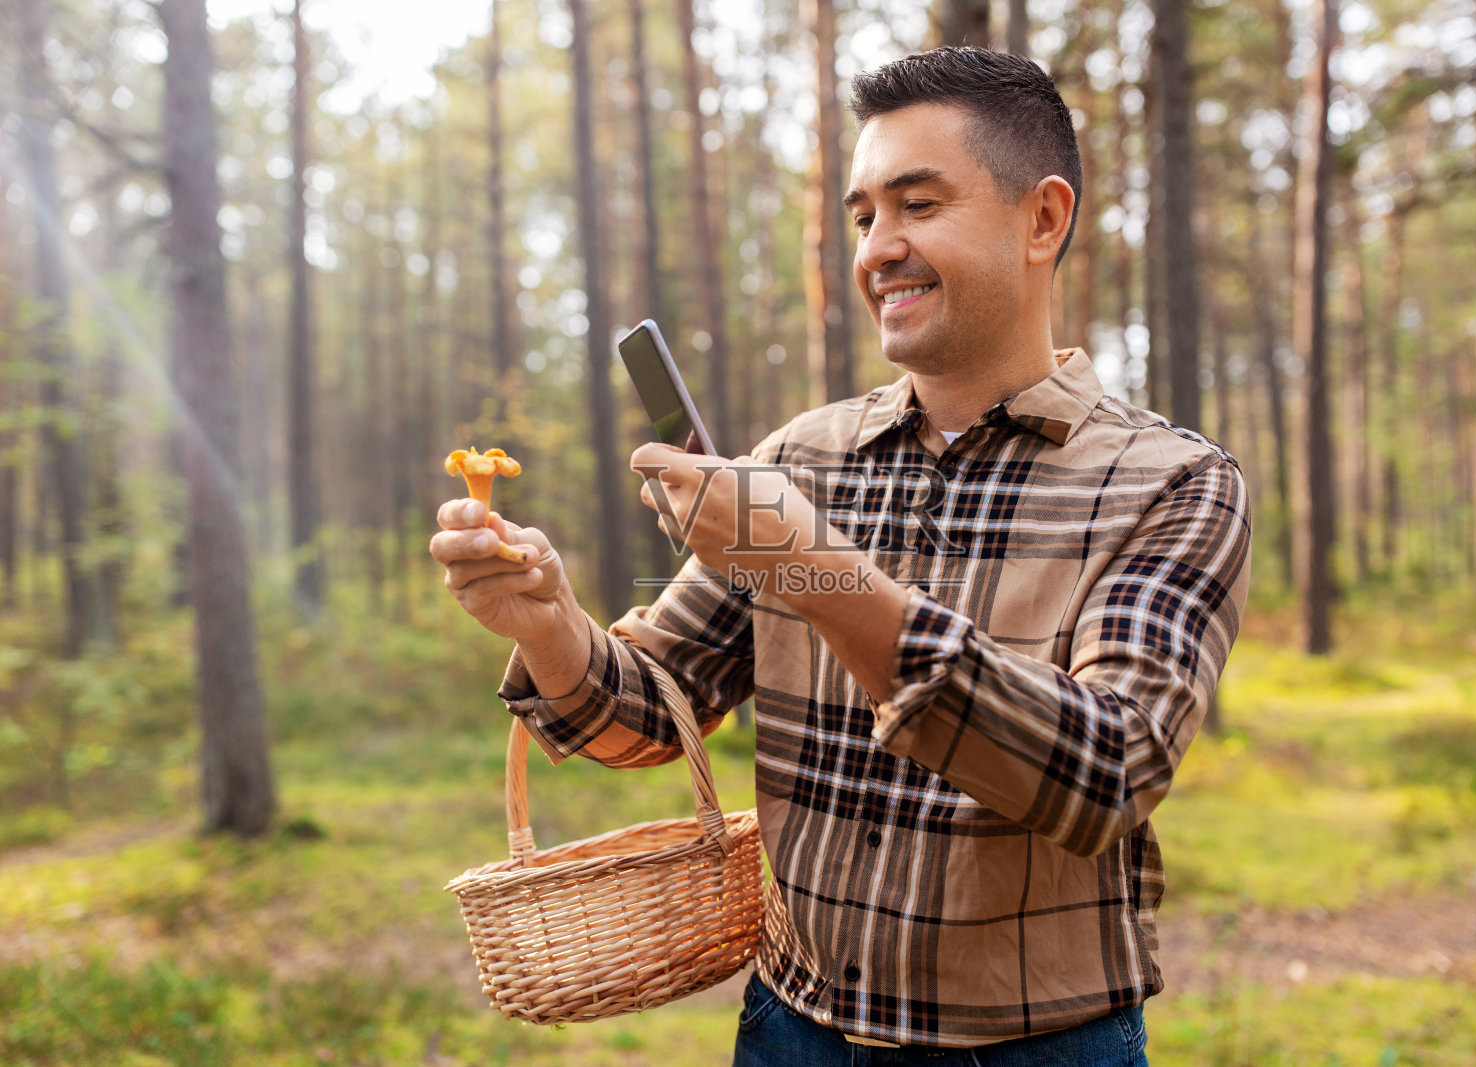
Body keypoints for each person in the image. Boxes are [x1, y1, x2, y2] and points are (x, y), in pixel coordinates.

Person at [431, 46, 1250, 1066]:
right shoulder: (798, 459)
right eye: (864, 214)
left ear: (1043, 218)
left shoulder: (1172, 481)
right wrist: (546, 619)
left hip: (1036, 1044)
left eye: (917, 203)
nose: (877, 249)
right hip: (792, 1029)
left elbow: (1106, 773)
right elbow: (648, 715)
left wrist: (812, 568)